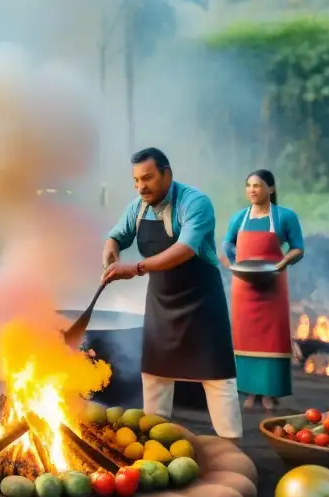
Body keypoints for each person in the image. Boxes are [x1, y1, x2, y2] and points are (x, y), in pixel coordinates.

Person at [101, 147, 242, 441]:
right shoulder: (138, 208)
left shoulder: (195, 203)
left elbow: (184, 250)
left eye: (148, 178)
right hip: (161, 300)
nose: (141, 187)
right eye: (137, 181)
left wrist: (135, 268)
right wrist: (111, 253)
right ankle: (155, 441)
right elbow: (116, 235)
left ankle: (231, 445)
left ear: (168, 174)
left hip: (202, 301)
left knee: (217, 377)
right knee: (155, 375)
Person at [221, 169, 304, 412]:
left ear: (271, 189)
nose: (252, 190)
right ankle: (248, 391)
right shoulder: (239, 218)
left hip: (272, 284)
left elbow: (298, 248)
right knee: (244, 338)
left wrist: (282, 263)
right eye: (248, 185)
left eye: (257, 185)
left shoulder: (285, 217)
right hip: (244, 287)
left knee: (272, 340)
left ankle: (269, 393)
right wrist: (233, 261)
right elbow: (227, 242)